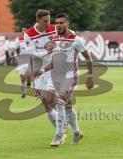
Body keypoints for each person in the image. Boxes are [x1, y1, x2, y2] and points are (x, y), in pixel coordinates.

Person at [34, 13, 94, 147]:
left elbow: (88, 58)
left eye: (61, 23)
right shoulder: (54, 40)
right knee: (55, 102)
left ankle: (59, 135)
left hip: (69, 78)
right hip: (54, 77)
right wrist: (42, 70)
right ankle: (77, 131)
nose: (58, 25)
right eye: (57, 23)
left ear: (68, 24)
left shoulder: (76, 40)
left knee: (60, 103)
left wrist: (90, 76)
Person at [23, 9, 59, 134]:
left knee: (52, 99)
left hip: (52, 67)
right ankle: (60, 129)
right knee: (46, 103)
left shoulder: (54, 29)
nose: (48, 23)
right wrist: (47, 52)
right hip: (38, 70)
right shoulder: (29, 33)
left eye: (49, 20)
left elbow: (63, 41)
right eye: (45, 21)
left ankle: (61, 130)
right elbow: (32, 53)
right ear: (38, 20)